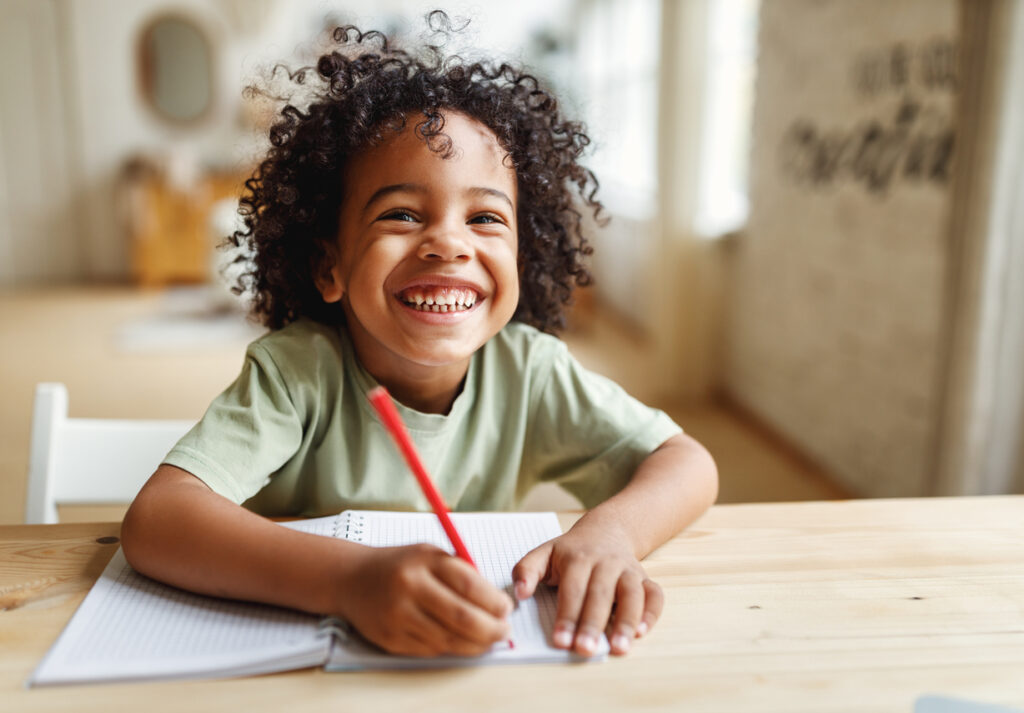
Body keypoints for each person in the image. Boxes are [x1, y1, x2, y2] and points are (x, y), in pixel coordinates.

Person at [121, 13, 718, 661]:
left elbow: (688, 462)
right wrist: (349, 580)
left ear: (523, 256)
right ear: (330, 266)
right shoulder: (297, 373)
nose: (449, 243)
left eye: (486, 216)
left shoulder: (531, 371)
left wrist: (612, 533)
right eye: (402, 214)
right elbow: (157, 520)